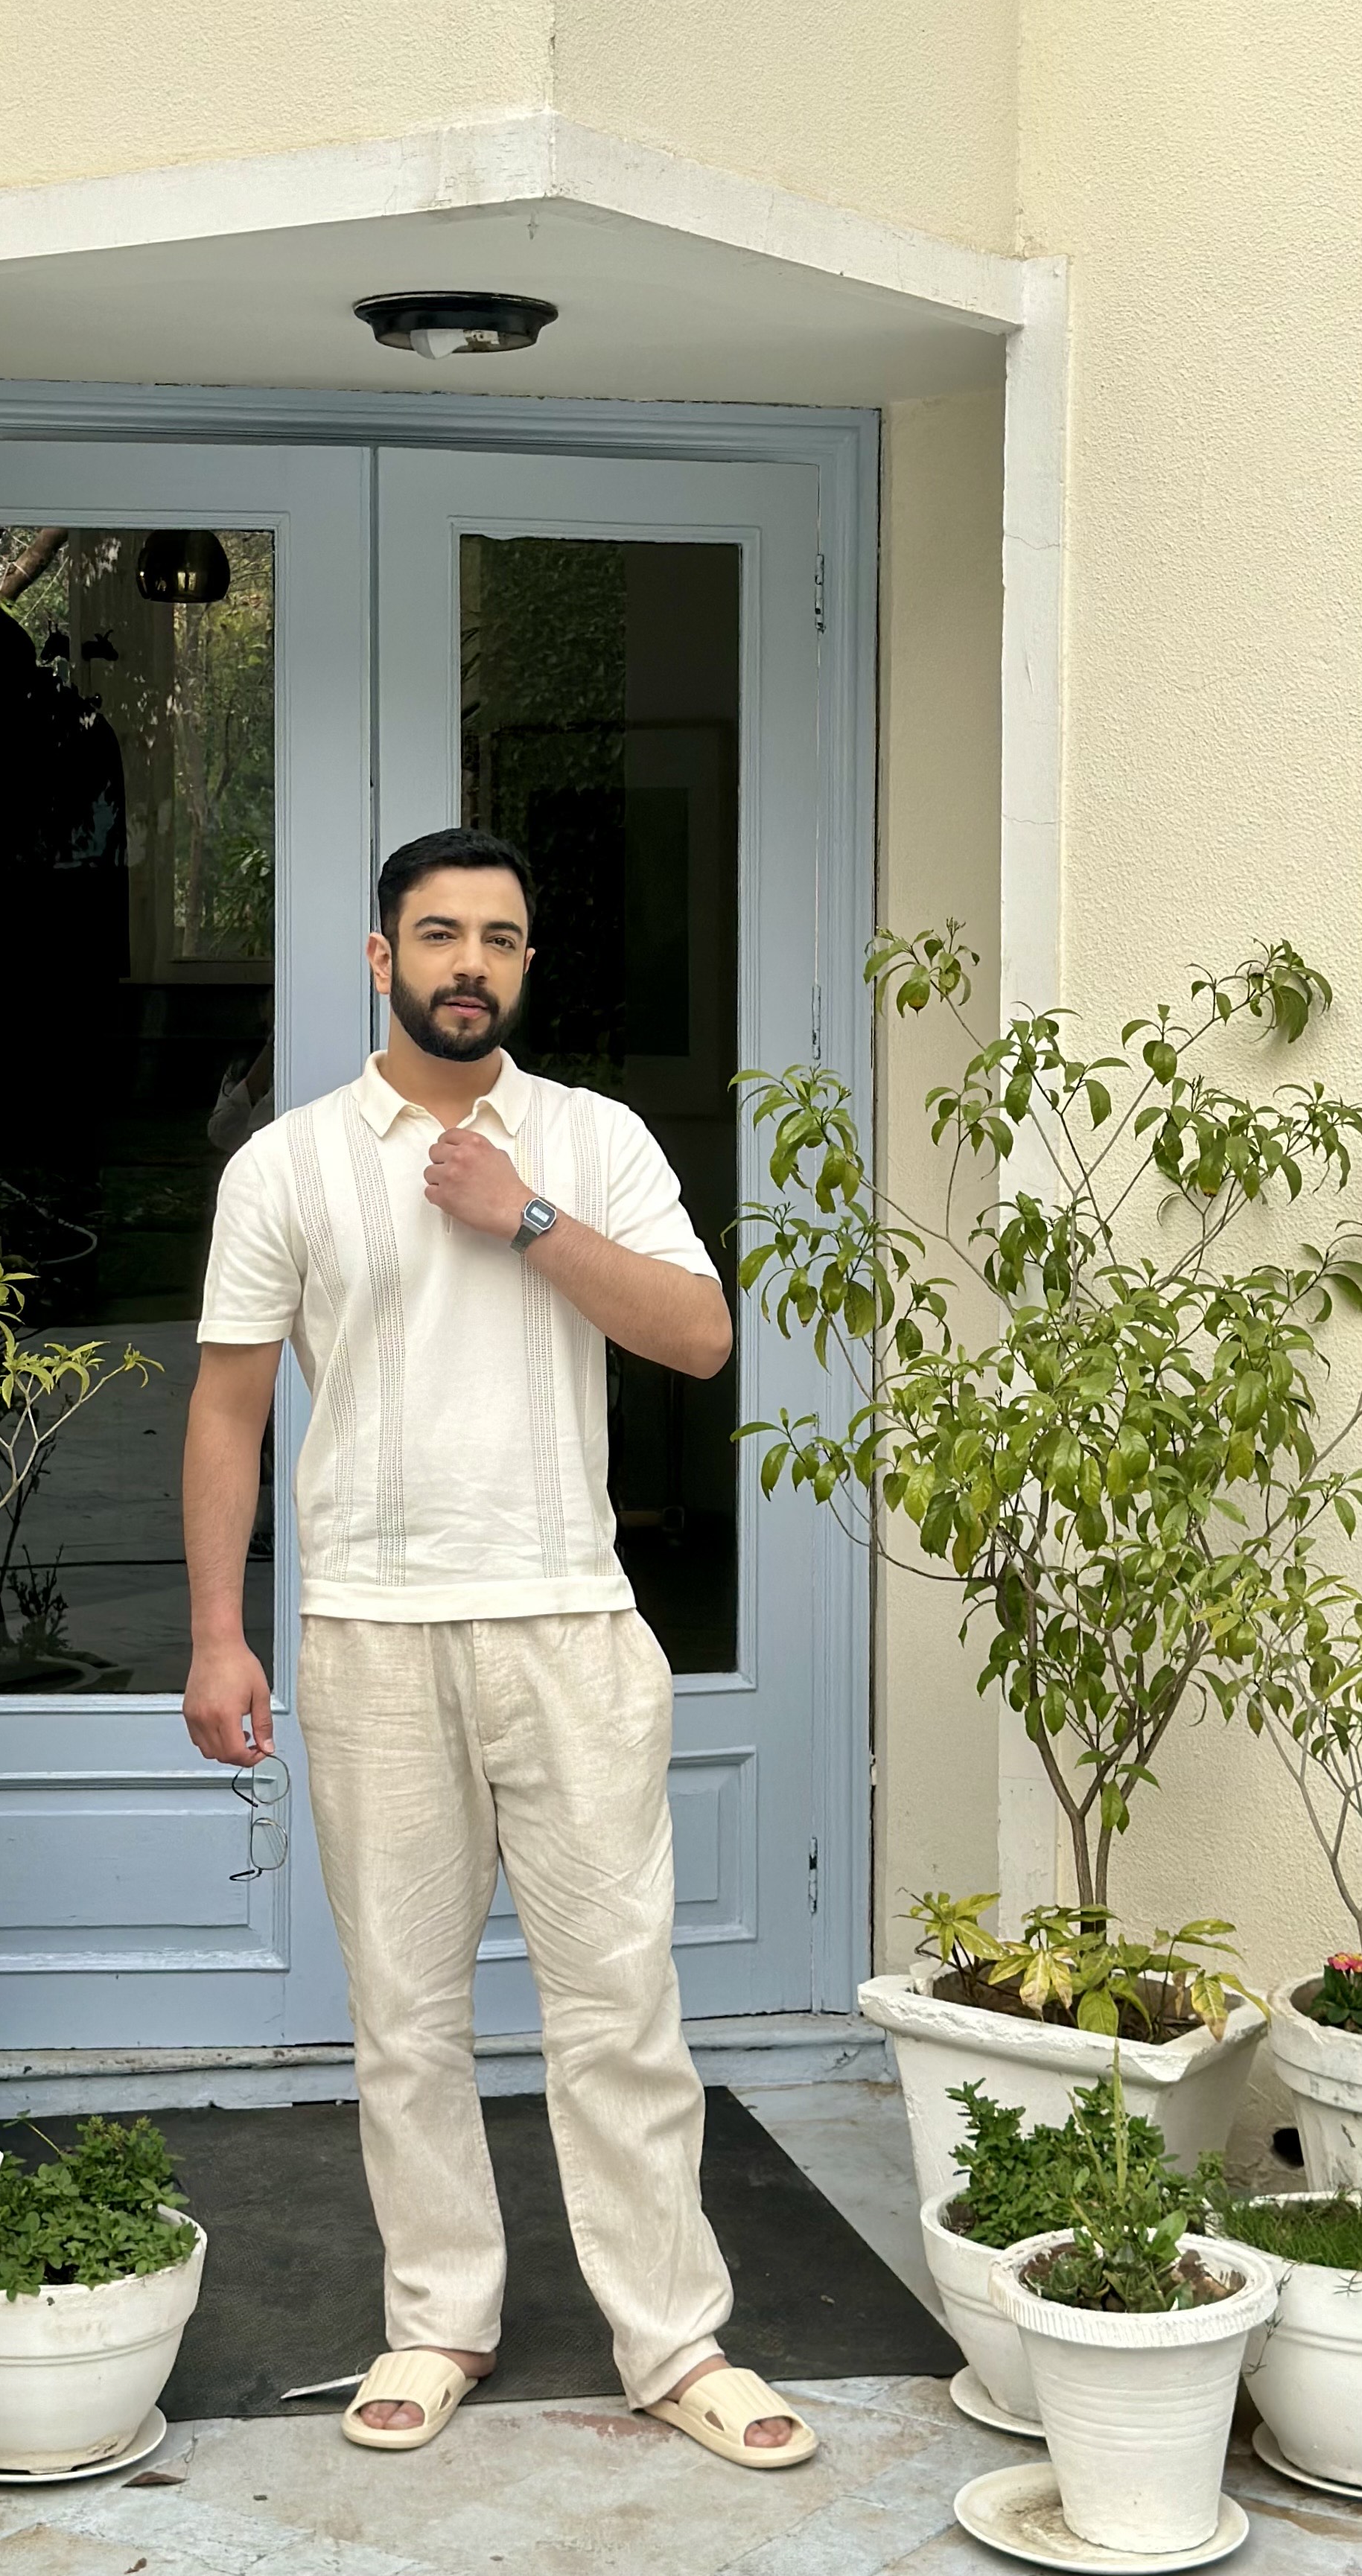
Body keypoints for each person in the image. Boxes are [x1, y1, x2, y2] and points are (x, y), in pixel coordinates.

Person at [180, 826, 816, 2470]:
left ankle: (671, 2339)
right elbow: (229, 1409)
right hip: (369, 1634)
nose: (470, 963)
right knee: (404, 2017)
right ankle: (437, 2318)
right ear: (377, 956)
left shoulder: (591, 1140)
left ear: (526, 965)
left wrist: (520, 1211)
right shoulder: (287, 1166)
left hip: (568, 1623)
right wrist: (216, 1633)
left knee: (619, 2007)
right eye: (438, 933)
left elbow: (697, 1334)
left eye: (501, 938)